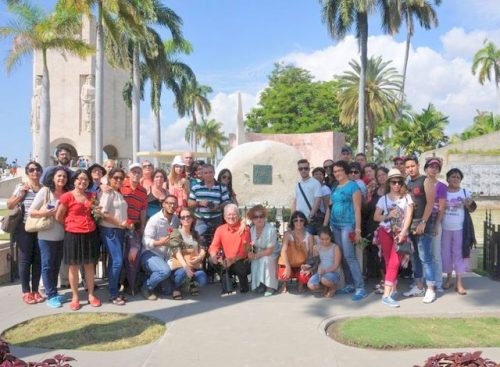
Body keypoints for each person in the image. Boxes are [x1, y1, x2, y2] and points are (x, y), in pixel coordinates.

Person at [56, 169, 101, 311]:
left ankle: (91, 294)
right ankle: (75, 297)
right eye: (80, 179)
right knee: (73, 267)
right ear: (74, 181)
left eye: (86, 180)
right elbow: (59, 216)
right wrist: (71, 224)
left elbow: (96, 213)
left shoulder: (92, 196)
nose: (83, 182)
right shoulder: (67, 196)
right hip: (73, 235)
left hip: (90, 234)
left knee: (89, 266)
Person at [29, 167, 71, 308]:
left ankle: (54, 291)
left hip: (61, 235)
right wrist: (46, 213)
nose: (61, 179)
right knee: (47, 266)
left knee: (55, 266)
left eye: (64, 176)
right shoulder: (45, 191)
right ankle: (51, 295)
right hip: (46, 235)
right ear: (52, 177)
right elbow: (31, 211)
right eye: (59, 176)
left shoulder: (67, 193)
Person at [374, 169, 414, 308]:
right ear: (389, 183)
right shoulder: (383, 199)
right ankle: (392, 289)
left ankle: (386, 295)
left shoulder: (407, 197)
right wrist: (388, 216)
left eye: (399, 182)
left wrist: (404, 232)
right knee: (388, 261)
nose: (396, 185)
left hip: (400, 233)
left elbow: (408, 216)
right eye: (393, 182)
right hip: (385, 231)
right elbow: (376, 217)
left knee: (395, 261)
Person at [329, 160, 366, 301]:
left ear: (345, 171)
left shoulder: (353, 186)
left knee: (350, 256)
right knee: (343, 256)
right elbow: (331, 206)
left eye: (339, 170)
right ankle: (349, 284)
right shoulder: (335, 187)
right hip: (336, 225)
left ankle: (360, 287)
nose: (337, 173)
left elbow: (357, 208)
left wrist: (357, 230)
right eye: (335, 171)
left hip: (347, 225)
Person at [7, 161, 43, 305]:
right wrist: (21, 194)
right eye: (31, 170)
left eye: (37, 169)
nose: (35, 172)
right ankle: (26, 291)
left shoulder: (44, 189)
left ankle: (35, 290)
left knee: (38, 260)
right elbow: (10, 205)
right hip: (24, 227)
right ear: (27, 173)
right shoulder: (21, 187)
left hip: (40, 227)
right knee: (25, 259)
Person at [403, 156, 437, 304]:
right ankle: (419, 286)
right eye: (408, 167)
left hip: (423, 224)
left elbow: (430, 203)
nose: (410, 169)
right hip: (410, 224)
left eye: (412, 166)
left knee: (425, 257)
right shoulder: (407, 183)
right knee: (415, 257)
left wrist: (423, 222)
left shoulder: (426, 180)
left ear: (418, 165)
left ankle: (430, 289)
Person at [441, 168, 477, 295]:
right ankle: (448, 279)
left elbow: (473, 208)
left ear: (461, 180)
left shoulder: (465, 192)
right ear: (448, 179)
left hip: (460, 229)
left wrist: (469, 204)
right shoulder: (443, 191)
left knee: (459, 254)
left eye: (458, 177)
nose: (455, 179)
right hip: (444, 228)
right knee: (446, 254)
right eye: (453, 176)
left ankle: (459, 282)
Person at [99, 167, 130, 305]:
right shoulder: (108, 192)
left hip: (119, 231)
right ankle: (113, 293)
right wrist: (119, 223)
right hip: (110, 230)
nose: (118, 180)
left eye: (121, 178)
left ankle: (114, 290)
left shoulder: (118, 193)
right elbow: (103, 213)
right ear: (110, 178)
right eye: (115, 177)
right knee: (117, 261)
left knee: (114, 261)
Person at [141, 196, 180, 300]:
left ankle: (152, 278)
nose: (171, 206)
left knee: (167, 291)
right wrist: (159, 243)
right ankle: (146, 287)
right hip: (150, 253)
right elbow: (145, 241)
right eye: (168, 203)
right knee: (164, 271)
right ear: (163, 204)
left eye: (174, 204)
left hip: (164, 257)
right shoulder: (155, 219)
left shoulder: (176, 219)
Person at [208, 204, 251, 294]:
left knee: (239, 265)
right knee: (211, 260)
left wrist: (232, 260)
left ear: (238, 215)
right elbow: (214, 246)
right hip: (227, 261)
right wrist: (214, 255)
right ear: (224, 217)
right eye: (229, 214)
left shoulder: (245, 229)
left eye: (234, 214)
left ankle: (244, 285)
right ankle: (230, 281)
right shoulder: (220, 229)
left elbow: (245, 251)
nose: (231, 217)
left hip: (241, 261)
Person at [121, 163, 148, 293]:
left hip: (134, 228)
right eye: (133, 171)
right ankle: (117, 283)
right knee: (119, 256)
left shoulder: (143, 191)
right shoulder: (121, 185)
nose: (136, 174)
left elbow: (143, 210)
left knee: (132, 256)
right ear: (128, 173)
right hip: (119, 227)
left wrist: (142, 226)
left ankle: (129, 283)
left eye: (138, 172)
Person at [168, 207, 208, 297]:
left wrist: (200, 257)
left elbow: (203, 248)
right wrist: (186, 267)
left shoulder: (196, 233)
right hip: (181, 266)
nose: (185, 219)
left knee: (203, 280)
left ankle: (191, 283)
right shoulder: (175, 232)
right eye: (183, 217)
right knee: (182, 274)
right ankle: (176, 287)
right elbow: (176, 251)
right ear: (180, 220)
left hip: (194, 266)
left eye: (188, 216)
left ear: (192, 218)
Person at [188, 164, 230, 245]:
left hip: (217, 219)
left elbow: (227, 202)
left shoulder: (222, 187)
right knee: (198, 242)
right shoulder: (196, 187)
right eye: (205, 173)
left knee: (217, 243)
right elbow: (189, 203)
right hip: (201, 219)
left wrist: (218, 207)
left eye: (210, 172)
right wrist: (199, 203)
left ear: (214, 173)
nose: (208, 175)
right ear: (202, 174)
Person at [424, 157, 447, 293]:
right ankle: (425, 282)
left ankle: (438, 282)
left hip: (434, 222)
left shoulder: (441, 186)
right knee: (424, 254)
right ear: (426, 168)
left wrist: (437, 225)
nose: (433, 169)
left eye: (436, 167)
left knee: (436, 254)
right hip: (423, 222)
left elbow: (442, 207)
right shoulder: (422, 183)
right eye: (431, 166)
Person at [278, 211, 314, 293]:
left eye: (301, 220)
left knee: (305, 276)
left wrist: (307, 267)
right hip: (289, 262)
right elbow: (283, 251)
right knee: (283, 274)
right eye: (296, 220)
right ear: (292, 222)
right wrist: (287, 266)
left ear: (305, 222)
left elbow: (311, 254)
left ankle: (301, 284)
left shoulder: (309, 236)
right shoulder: (287, 234)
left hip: (302, 264)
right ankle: (284, 284)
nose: (299, 222)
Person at [247, 205, 278, 296]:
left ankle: (270, 286)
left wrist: (256, 255)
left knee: (266, 260)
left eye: (261, 216)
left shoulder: (271, 230)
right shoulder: (252, 229)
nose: (259, 219)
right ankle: (260, 284)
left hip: (272, 252)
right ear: (252, 219)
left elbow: (269, 251)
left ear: (264, 217)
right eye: (256, 217)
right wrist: (250, 253)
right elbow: (250, 245)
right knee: (254, 262)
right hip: (259, 251)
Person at [307, 226, 342, 298]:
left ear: (331, 237)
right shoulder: (316, 247)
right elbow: (315, 262)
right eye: (322, 239)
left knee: (324, 279)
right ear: (319, 238)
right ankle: (324, 287)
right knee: (310, 285)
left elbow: (336, 264)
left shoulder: (335, 247)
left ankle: (333, 288)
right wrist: (308, 268)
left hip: (333, 273)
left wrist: (325, 271)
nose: (324, 241)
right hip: (319, 273)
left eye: (327, 239)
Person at [291, 159, 324, 234]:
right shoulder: (297, 185)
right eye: (301, 169)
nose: (303, 170)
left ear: (309, 169)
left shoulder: (315, 183)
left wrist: (310, 216)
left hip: (310, 221)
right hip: (298, 220)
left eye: (305, 168)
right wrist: (292, 218)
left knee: (307, 242)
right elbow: (295, 202)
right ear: (298, 170)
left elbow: (318, 200)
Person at [311, 167, 331, 234]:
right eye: (316, 174)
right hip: (310, 218)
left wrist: (325, 224)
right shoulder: (311, 188)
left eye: (320, 174)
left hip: (321, 218)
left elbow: (327, 208)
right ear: (312, 176)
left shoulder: (325, 189)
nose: (318, 176)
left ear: (323, 176)